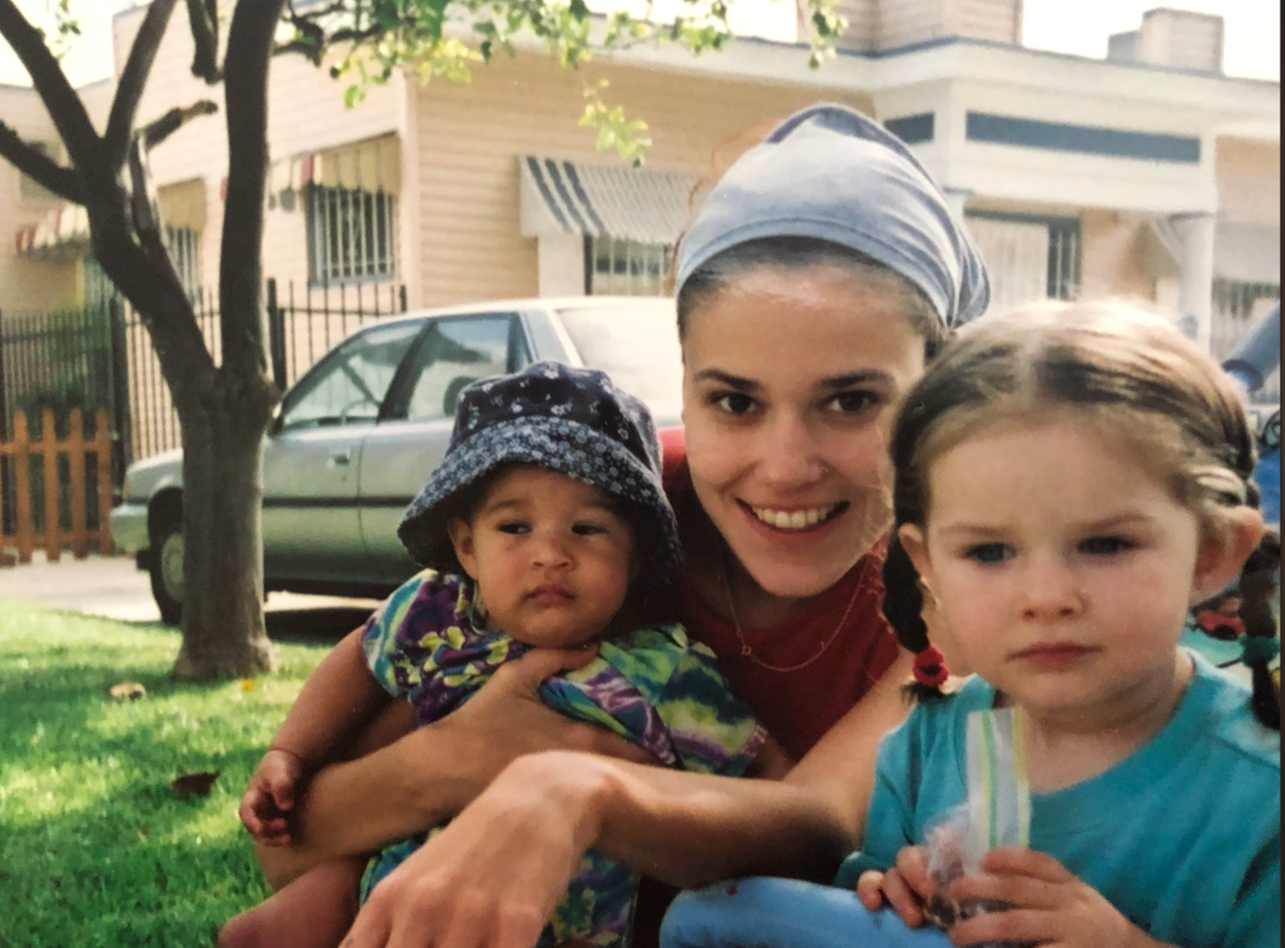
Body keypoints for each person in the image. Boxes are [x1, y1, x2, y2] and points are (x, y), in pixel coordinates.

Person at [330, 103, 990, 948]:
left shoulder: (959, 579)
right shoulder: (597, 514)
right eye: (734, 401)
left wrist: (571, 787)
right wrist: (449, 761)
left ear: (935, 394)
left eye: (852, 400)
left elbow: (816, 823)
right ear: (681, 389)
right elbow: (297, 843)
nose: (785, 466)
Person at [659, 302, 1281, 948]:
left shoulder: (1260, 800)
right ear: (926, 564)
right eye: (988, 552)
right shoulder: (926, 748)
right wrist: (884, 894)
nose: (1044, 597)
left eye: (1104, 545)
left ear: (1212, 553)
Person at [219, 361, 791, 948]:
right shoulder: (438, 613)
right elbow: (360, 659)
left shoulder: (664, 669)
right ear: (467, 547)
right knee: (289, 917)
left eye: (588, 529)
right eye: (515, 526)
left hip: (553, 924)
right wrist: (289, 753)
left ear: (636, 556)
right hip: (390, 889)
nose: (550, 554)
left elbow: (767, 774)